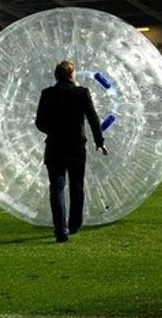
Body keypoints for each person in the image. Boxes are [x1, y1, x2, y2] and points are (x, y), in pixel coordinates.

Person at [34, 59, 108, 242]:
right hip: (76, 147)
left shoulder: (47, 94)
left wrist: (54, 131)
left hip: (54, 147)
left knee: (57, 188)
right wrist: (99, 142)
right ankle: (74, 225)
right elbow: (93, 119)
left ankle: (61, 230)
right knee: (77, 187)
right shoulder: (81, 93)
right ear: (71, 75)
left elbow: (39, 123)